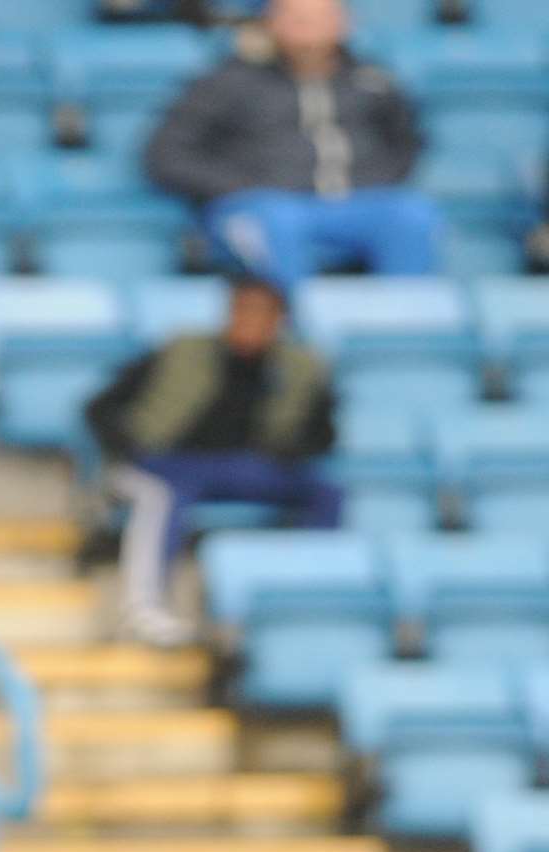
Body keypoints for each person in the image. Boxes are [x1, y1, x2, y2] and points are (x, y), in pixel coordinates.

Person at [86, 277, 340, 647]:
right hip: (167, 463)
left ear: (279, 321)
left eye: (263, 313)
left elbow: (322, 434)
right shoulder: (181, 351)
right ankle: (143, 608)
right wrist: (126, 445)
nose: (251, 321)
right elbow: (101, 408)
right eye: (243, 310)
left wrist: (295, 446)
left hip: (247, 467)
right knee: (161, 495)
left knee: (326, 492)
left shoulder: (300, 368)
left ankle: (314, 599)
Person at [144, 0, 439, 291]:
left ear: (345, 22)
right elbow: (167, 154)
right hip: (262, 205)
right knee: (274, 221)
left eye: (321, 17)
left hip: (356, 201)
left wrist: (376, 178)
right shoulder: (227, 80)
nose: (310, 29)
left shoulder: (373, 79)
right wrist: (241, 187)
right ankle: (297, 329)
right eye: (298, 18)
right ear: (271, 22)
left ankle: (401, 329)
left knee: (410, 215)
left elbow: (407, 141)